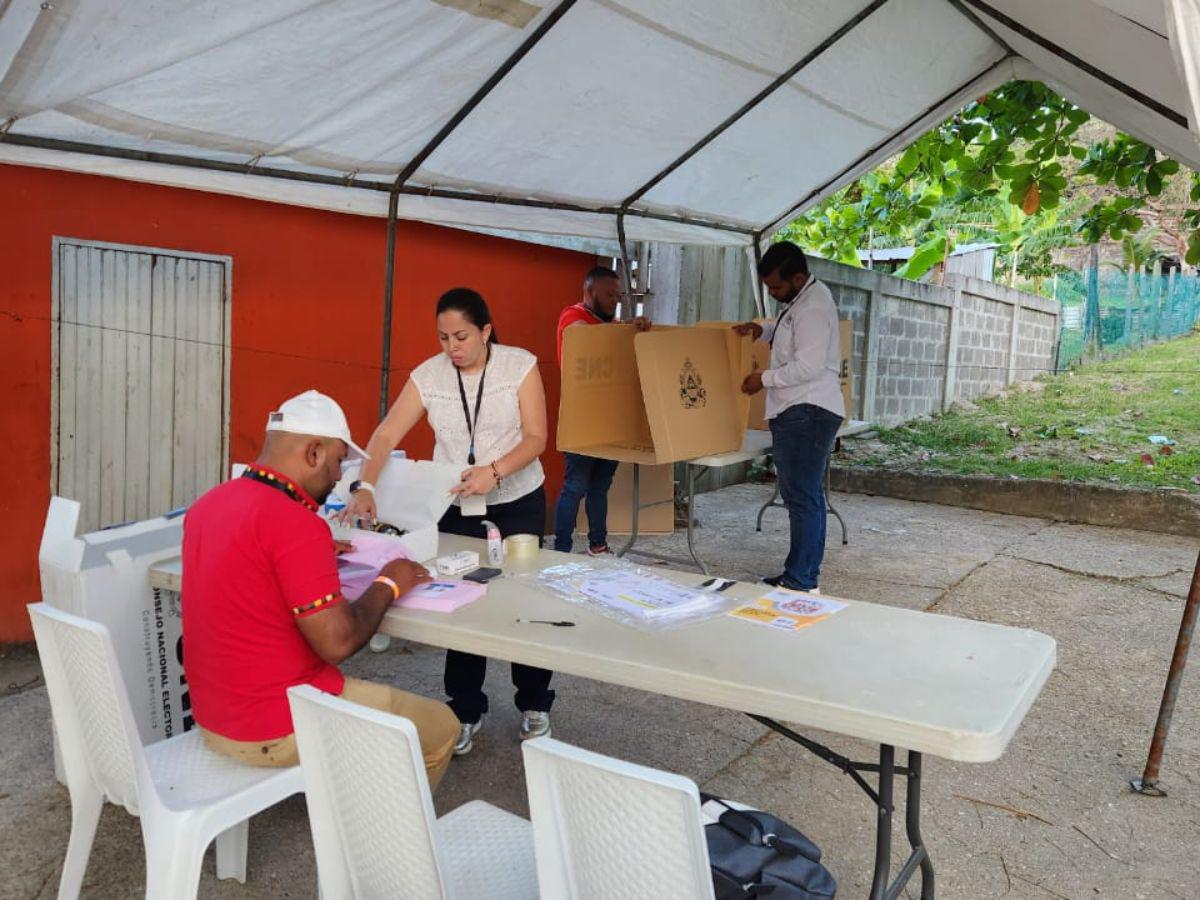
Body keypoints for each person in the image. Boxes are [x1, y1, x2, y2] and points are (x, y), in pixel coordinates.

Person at [181, 390, 459, 785]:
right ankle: (383, 823)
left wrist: (308, 552)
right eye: (338, 462)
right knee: (440, 727)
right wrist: (389, 582)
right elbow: (337, 642)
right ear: (314, 453)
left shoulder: (208, 505)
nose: (338, 477)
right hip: (276, 725)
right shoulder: (296, 524)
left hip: (213, 715)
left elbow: (251, 559)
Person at [344, 288, 552, 756]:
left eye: (461, 337)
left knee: (523, 601)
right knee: (462, 602)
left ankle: (535, 701)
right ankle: (465, 709)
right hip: (458, 504)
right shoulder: (429, 376)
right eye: (443, 338)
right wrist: (365, 485)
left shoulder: (518, 366)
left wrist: (494, 471)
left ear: (485, 331)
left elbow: (537, 437)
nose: (452, 347)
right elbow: (386, 433)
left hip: (517, 499)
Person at [735, 242, 844, 592]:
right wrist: (762, 330)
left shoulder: (812, 307)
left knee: (802, 498)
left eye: (776, 287)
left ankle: (801, 579)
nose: (772, 293)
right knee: (803, 496)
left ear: (798, 278)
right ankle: (800, 574)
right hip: (802, 410)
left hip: (806, 410)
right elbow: (791, 336)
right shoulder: (802, 299)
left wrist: (762, 379)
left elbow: (807, 366)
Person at [553, 266, 651, 555]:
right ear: (590, 291)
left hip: (610, 421)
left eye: (618, 296)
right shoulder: (573, 316)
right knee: (575, 487)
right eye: (609, 295)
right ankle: (559, 550)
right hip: (581, 420)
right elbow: (581, 335)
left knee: (600, 486)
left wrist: (633, 328)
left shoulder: (612, 325)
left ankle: (598, 545)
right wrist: (625, 328)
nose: (614, 301)